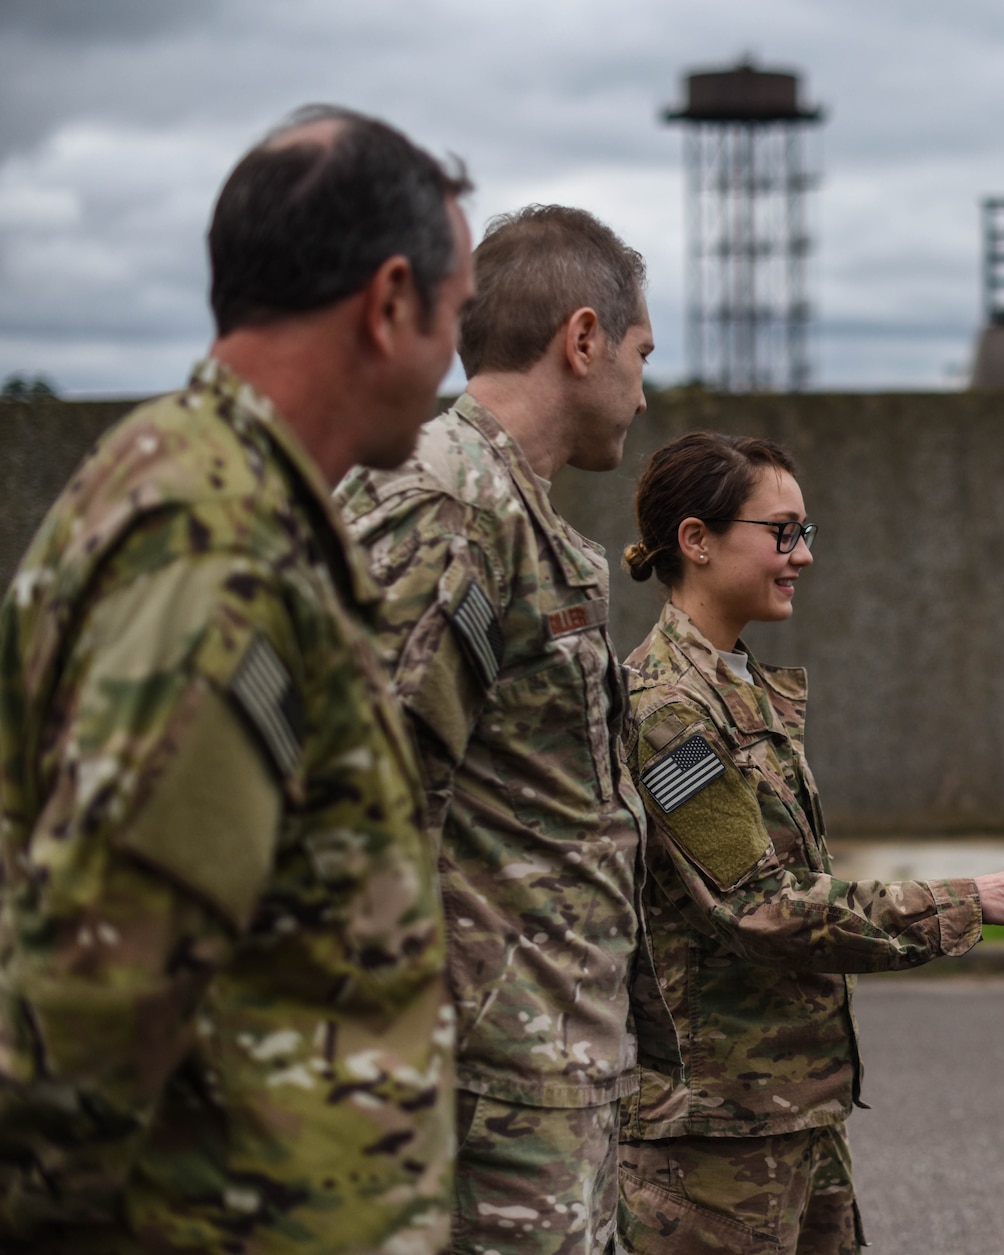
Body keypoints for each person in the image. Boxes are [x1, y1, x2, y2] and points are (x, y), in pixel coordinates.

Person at [0, 105, 471, 1251]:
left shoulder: (195, 483)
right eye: (456, 317)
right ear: (390, 301)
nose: (456, 363)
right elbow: (94, 993)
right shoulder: (222, 551)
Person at [615, 433, 1004, 1254]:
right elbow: (763, 908)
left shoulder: (736, 686)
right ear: (696, 540)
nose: (802, 554)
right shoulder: (669, 710)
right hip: (712, 1151)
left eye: (806, 531)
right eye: (781, 532)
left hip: (790, 1117)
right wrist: (971, 898)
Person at [337, 205, 652, 1253]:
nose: (643, 392)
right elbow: (356, 806)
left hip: (539, 1062)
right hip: (482, 1080)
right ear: (582, 339)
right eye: (640, 353)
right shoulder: (450, 504)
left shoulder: (503, 508)